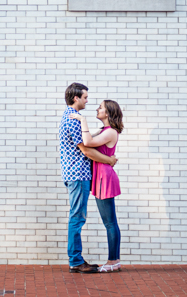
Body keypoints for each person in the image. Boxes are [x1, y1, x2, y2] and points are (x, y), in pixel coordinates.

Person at [59, 83, 118, 274]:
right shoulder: (74, 120)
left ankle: (77, 259)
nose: (87, 100)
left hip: (78, 174)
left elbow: (87, 141)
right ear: (76, 98)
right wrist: (109, 159)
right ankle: (75, 260)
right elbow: (86, 149)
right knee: (77, 217)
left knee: (78, 216)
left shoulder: (70, 117)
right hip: (78, 174)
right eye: (85, 97)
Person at [69, 99, 123, 273]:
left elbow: (88, 143)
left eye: (100, 107)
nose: (97, 109)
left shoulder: (110, 132)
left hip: (105, 178)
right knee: (109, 222)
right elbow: (88, 140)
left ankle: (113, 261)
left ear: (107, 113)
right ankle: (114, 260)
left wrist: (82, 120)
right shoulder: (104, 131)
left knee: (110, 222)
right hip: (100, 177)